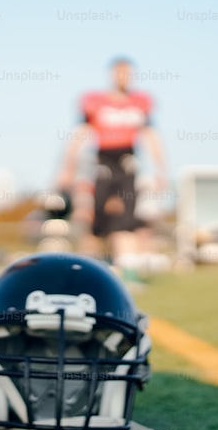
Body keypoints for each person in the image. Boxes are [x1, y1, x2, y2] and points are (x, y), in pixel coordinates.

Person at [55, 58, 168, 286]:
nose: (124, 78)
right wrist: (67, 168)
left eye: (128, 73)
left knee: (126, 219)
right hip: (102, 162)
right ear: (112, 75)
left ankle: (128, 273)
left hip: (127, 163)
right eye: (120, 73)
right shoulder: (95, 102)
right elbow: (79, 135)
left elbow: (150, 136)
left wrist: (161, 170)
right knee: (94, 220)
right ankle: (87, 271)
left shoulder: (140, 102)